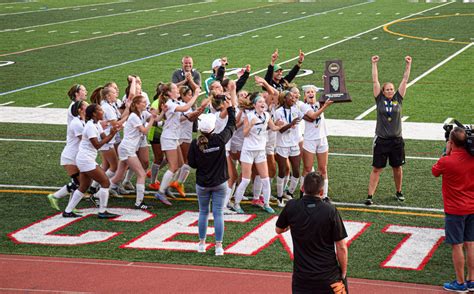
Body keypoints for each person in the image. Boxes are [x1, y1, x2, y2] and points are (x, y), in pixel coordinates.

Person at [276, 172, 348, 294]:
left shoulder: (292, 206)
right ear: (321, 192)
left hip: (302, 279)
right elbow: (341, 247)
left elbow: (279, 229)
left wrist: (291, 224)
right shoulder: (330, 210)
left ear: (302, 188)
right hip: (328, 277)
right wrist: (343, 272)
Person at [188, 80, 237, 256]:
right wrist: (230, 107)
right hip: (220, 183)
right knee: (218, 214)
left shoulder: (195, 143)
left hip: (202, 183)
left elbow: (192, 164)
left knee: (203, 213)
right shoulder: (219, 140)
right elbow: (232, 125)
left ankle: (201, 244)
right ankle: (218, 246)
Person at [365, 55, 412, 206]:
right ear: (383, 91)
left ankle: (399, 191)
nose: (391, 91)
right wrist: (374, 64)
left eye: (392, 89)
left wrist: (408, 65)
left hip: (397, 140)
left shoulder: (399, 98)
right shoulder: (379, 99)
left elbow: (405, 80)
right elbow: (375, 80)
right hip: (382, 140)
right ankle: (370, 196)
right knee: (376, 169)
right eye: (388, 89)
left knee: (397, 168)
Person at [432, 127, 474, 293]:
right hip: (472, 206)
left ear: (451, 142)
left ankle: (460, 282)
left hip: (455, 210)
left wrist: (446, 152)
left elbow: (434, 171)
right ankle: (472, 280)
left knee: (457, 245)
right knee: (470, 244)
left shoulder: (446, 161)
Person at [63, 104, 121, 219]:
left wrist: (112, 132)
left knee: (84, 186)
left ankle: (68, 211)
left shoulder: (97, 124)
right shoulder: (90, 127)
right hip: (86, 159)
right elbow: (98, 145)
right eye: (100, 110)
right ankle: (102, 211)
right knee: (105, 182)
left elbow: (105, 138)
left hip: (85, 158)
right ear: (94, 114)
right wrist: (111, 134)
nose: (102, 111)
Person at [47, 100, 88, 210]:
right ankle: (55, 196)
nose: (88, 106)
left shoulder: (82, 121)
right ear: (80, 110)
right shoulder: (76, 123)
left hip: (75, 156)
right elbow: (85, 140)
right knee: (79, 183)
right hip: (70, 157)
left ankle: (71, 206)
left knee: (79, 183)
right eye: (86, 105)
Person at [300, 85, 333, 198]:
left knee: (323, 168)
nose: (310, 93)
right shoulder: (303, 106)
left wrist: (325, 80)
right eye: (308, 92)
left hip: (322, 138)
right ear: (305, 95)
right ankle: (304, 193)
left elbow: (328, 94)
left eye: (312, 91)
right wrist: (324, 107)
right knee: (308, 168)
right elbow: (313, 116)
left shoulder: (319, 103)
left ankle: (324, 195)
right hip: (310, 139)